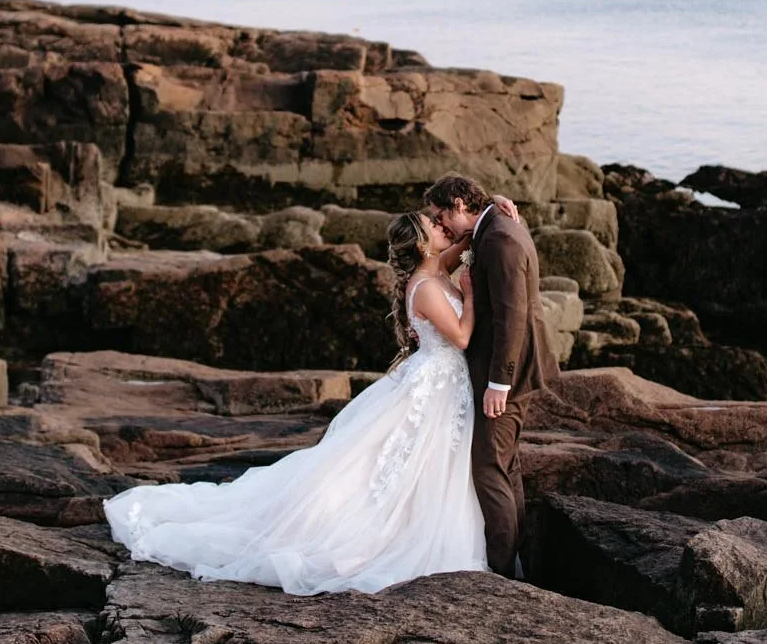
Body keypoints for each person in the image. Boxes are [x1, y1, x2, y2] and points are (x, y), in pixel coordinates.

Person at [102, 206, 492, 594]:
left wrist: (494, 211)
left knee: (419, 463)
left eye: (441, 220)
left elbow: (466, 238)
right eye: (434, 225)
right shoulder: (424, 286)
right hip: (434, 384)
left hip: (442, 385)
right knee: (401, 464)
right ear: (423, 244)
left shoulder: (437, 267)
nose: (443, 226)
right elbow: (460, 337)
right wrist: (471, 296)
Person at [422, 173, 561, 577]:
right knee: (505, 464)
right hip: (510, 367)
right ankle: (518, 561)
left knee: (488, 467)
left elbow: (512, 316)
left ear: (462, 204)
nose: (441, 224)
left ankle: (501, 571)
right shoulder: (497, 223)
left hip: (508, 373)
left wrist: (498, 383)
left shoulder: (498, 237)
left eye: (442, 214)